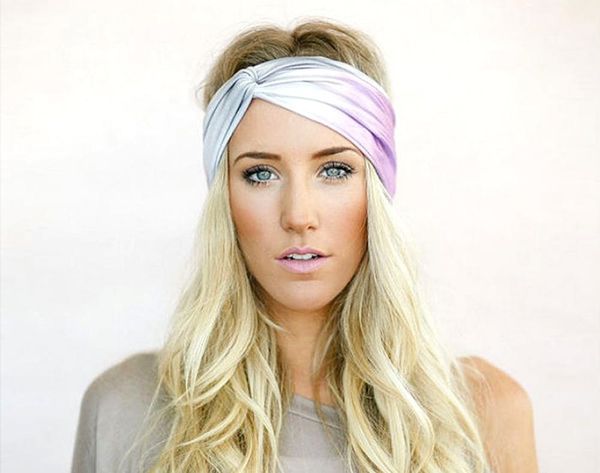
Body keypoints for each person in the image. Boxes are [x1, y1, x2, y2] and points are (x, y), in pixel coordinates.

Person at [70, 18, 538, 473]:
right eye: (261, 174)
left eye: (334, 170)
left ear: (376, 190)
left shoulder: (485, 415)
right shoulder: (124, 408)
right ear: (224, 199)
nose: (298, 215)